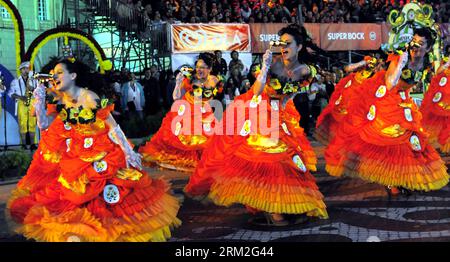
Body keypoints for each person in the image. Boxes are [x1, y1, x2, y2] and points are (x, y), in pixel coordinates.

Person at [8, 59, 180, 242]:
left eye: (59, 72)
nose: (54, 76)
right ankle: (83, 228)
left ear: (73, 76)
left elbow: (113, 127)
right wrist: (39, 102)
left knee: (107, 193)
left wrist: (128, 152)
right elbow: (44, 125)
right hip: (77, 156)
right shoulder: (60, 99)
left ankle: (109, 228)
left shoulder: (90, 97)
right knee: (75, 194)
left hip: (102, 152)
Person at [185, 24, 328, 226]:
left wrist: (283, 109)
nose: (284, 47)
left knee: (286, 161)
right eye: (281, 43)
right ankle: (273, 211)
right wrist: (266, 66)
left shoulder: (306, 70)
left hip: (279, 116)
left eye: (288, 43)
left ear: (300, 46)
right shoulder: (274, 61)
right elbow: (257, 90)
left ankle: (283, 206)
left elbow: (289, 96)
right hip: (255, 111)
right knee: (265, 159)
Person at [325, 27, 448, 196]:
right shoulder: (400, 56)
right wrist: (401, 63)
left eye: (421, 43)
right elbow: (390, 83)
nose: (415, 46)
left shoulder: (426, 62)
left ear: (427, 48)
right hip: (387, 101)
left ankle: (401, 178)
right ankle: (391, 180)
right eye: (414, 41)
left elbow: (422, 80)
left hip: (404, 103)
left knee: (410, 143)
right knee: (390, 141)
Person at [139, 53, 223, 172]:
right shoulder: (190, 79)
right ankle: (188, 162)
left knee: (207, 139)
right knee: (186, 139)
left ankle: (202, 161)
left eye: (203, 67)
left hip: (205, 113)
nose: (199, 70)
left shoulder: (215, 80)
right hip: (187, 111)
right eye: (198, 67)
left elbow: (216, 97)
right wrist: (178, 83)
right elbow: (176, 97)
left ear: (210, 69)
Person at [315, 56, 382, 145]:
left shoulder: (376, 74)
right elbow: (347, 68)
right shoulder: (360, 68)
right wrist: (363, 62)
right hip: (349, 94)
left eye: (374, 63)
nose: (371, 64)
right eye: (371, 62)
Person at [420, 58, 450, 153]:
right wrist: (448, 63)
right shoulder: (447, 61)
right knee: (442, 118)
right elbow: (438, 72)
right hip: (444, 94)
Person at [8, 61, 38, 150]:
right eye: (25, 69)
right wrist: (21, 97)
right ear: (21, 70)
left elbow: (38, 91)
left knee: (32, 124)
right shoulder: (15, 81)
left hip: (32, 102)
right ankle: (24, 145)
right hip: (21, 103)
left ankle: (33, 144)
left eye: (28, 68)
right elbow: (11, 94)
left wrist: (33, 89)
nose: (27, 70)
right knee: (23, 124)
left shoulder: (33, 80)